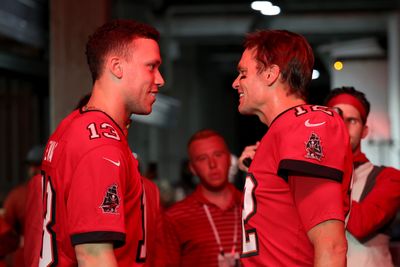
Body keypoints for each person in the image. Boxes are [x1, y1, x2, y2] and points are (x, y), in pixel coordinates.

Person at [26, 19, 164, 267]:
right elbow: (93, 256)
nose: (160, 79)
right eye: (151, 67)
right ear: (117, 67)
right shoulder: (102, 146)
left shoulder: (74, 123)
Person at [232, 30, 353, 266]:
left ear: (270, 74)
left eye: (243, 74)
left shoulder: (305, 124)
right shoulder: (281, 130)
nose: (235, 82)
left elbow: (331, 245)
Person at [325, 86, 400, 266]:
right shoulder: (311, 177)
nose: (342, 127)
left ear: (365, 131)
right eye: (337, 119)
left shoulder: (389, 177)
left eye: (351, 120)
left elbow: (361, 225)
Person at [158, 129, 242, 267]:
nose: (212, 164)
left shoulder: (253, 207)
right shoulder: (175, 217)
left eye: (218, 155)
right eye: (202, 158)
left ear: (229, 159)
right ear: (192, 168)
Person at [3, 144, 44, 267]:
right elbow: (6, 231)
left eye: (37, 166)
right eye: (30, 166)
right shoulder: (18, 196)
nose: (32, 170)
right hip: (27, 256)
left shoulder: (63, 192)